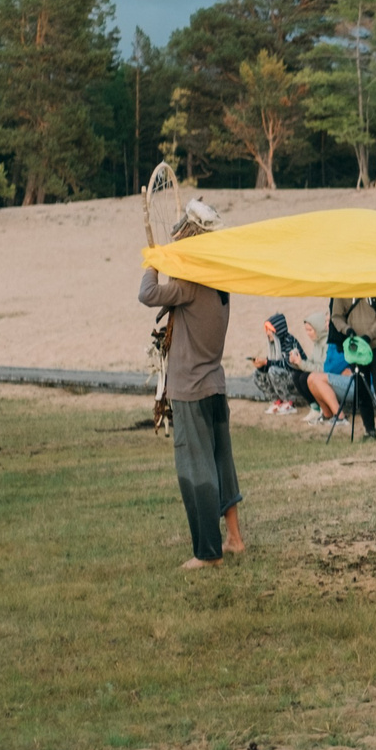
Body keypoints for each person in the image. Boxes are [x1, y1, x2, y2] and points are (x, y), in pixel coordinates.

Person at [139, 207, 246, 569]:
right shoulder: (220, 280)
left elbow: (148, 292)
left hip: (191, 389)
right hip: (215, 384)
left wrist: (152, 261)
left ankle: (208, 553)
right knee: (220, 462)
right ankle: (234, 538)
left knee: (196, 469)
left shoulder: (190, 284)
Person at [330, 294, 376, 433]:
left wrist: (369, 335)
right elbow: (336, 316)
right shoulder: (342, 291)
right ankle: (369, 430)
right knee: (362, 389)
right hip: (356, 347)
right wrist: (347, 330)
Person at [253, 313, 314, 414]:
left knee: (274, 371)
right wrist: (262, 366)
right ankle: (277, 401)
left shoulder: (289, 341)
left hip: (297, 378)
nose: (267, 333)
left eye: (269, 330)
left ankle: (289, 402)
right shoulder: (274, 345)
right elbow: (272, 363)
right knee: (258, 374)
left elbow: (289, 364)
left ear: (277, 330)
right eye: (266, 330)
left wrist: (267, 362)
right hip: (284, 376)